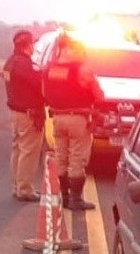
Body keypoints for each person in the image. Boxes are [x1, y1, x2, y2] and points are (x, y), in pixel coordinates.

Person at [41, 34, 100, 211]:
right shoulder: (82, 69)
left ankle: (64, 197)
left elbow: (44, 93)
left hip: (57, 118)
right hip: (78, 118)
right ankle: (75, 199)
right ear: (77, 51)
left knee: (61, 157)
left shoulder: (49, 68)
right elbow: (98, 94)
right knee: (77, 159)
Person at [3, 31, 43, 202]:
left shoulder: (9, 62)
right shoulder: (26, 65)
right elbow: (39, 85)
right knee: (28, 152)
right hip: (28, 114)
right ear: (28, 45)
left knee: (18, 150)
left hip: (15, 112)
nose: (33, 47)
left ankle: (17, 186)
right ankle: (25, 189)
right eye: (32, 44)